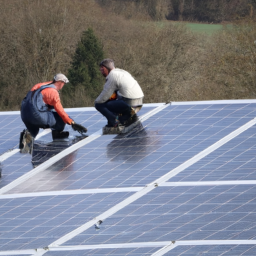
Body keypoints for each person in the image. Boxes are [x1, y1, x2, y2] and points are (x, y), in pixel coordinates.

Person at [20, 73, 75, 140]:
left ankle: (27, 138)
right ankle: (57, 135)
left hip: (24, 115)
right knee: (60, 119)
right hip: (36, 115)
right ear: (60, 82)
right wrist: (68, 119)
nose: (63, 85)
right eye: (64, 83)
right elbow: (59, 109)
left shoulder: (39, 86)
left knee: (33, 130)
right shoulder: (53, 92)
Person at [95, 59, 144, 127]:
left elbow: (104, 96)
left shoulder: (112, 75)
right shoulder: (121, 72)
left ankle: (115, 122)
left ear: (107, 68)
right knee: (114, 98)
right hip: (139, 103)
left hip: (130, 103)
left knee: (100, 104)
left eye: (102, 68)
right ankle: (128, 117)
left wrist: (96, 102)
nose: (100, 70)